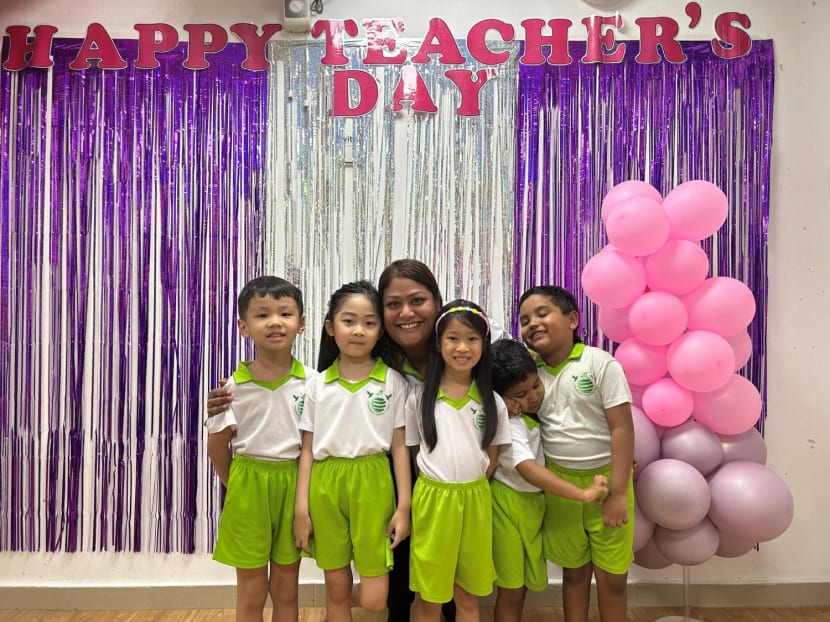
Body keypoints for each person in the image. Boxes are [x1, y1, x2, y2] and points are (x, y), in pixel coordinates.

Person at [293, 280, 412, 622]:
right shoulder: (316, 384)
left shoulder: (393, 382)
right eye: (349, 321)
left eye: (370, 323)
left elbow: (400, 446)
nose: (358, 330)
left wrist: (403, 506)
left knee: (375, 600)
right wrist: (302, 508)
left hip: (374, 483)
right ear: (331, 327)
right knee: (336, 587)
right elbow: (306, 450)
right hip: (325, 484)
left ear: (380, 332)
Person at [517, 286, 635, 622]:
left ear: (572, 319)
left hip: (607, 482)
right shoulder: (529, 374)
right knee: (574, 573)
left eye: (542, 314)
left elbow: (622, 429)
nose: (532, 324)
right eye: (525, 320)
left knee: (612, 579)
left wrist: (616, 492)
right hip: (560, 486)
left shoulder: (599, 363)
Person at [205, 276, 313, 622]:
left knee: (286, 590)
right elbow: (217, 444)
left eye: (285, 313)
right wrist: (235, 483)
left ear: (302, 323)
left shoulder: (313, 384)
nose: (275, 322)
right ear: (243, 327)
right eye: (263, 315)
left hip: (295, 486)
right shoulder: (231, 388)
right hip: (248, 487)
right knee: (251, 593)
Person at [405, 301, 511, 622]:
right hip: (432, 502)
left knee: (468, 595)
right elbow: (414, 452)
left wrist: (470, 487)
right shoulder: (419, 398)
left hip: (475, 500)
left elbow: (492, 457)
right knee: (429, 597)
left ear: (483, 345)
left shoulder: (492, 402)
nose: (462, 347)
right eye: (453, 338)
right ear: (438, 344)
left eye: (472, 339)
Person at [488, 339, 609, 622]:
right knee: (512, 589)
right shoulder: (510, 421)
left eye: (535, 385)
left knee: (523, 586)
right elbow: (527, 468)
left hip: (532, 505)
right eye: (520, 393)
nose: (533, 396)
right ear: (501, 396)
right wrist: (581, 493)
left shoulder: (535, 411)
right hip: (507, 505)